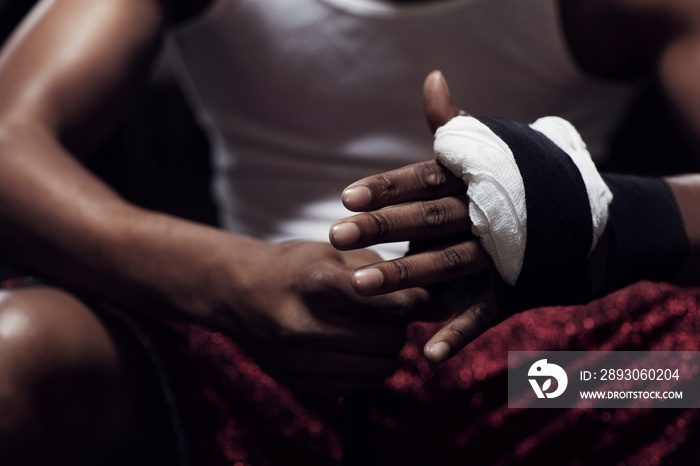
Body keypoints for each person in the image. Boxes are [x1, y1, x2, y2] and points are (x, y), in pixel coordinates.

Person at [0, 0, 698, 465]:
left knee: (689, 379)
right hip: (256, 355)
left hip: (545, 380)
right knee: (13, 354)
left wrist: (607, 213)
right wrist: (232, 281)